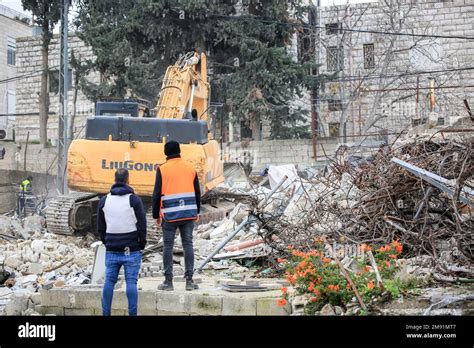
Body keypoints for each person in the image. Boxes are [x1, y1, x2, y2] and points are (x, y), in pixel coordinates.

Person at [97, 168, 147, 316]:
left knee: (109, 282)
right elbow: (142, 224)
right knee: (131, 282)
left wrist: (107, 242)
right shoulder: (134, 200)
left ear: (114, 179)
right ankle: (132, 314)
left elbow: (100, 227)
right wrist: (141, 243)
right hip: (131, 248)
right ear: (128, 179)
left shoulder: (104, 200)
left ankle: (106, 313)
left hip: (112, 248)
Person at [152, 140, 201, 291]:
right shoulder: (190, 168)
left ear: (166, 153)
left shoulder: (162, 169)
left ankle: (168, 282)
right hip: (188, 214)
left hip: (170, 214)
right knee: (188, 245)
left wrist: (156, 215)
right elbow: (197, 192)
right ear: (179, 150)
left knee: (168, 246)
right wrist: (197, 211)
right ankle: (189, 281)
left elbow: (156, 194)